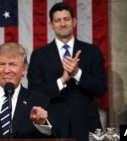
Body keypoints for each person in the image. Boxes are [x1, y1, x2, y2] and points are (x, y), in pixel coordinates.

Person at [27, 2, 107, 141]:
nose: (62, 24)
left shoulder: (92, 52)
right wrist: (62, 80)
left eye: (66, 19)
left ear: (74, 21)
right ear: (51, 24)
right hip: (54, 125)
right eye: (57, 20)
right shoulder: (39, 55)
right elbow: (35, 93)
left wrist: (77, 73)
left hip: (87, 125)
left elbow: (101, 89)